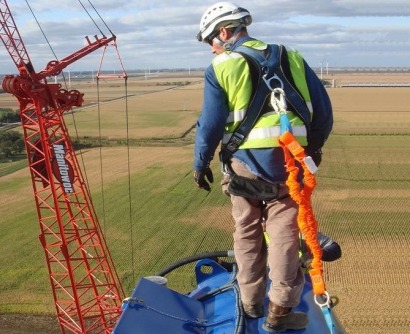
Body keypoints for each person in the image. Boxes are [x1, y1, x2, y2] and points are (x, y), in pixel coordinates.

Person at [193, 2, 333, 332]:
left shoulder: (222, 66)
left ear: (224, 33)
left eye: (211, 41)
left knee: (247, 230)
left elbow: (210, 125)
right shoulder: (292, 56)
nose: (212, 48)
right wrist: (312, 149)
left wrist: (200, 164)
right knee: (284, 233)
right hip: (289, 165)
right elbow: (323, 113)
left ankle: (251, 302)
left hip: (244, 166)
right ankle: (280, 312)